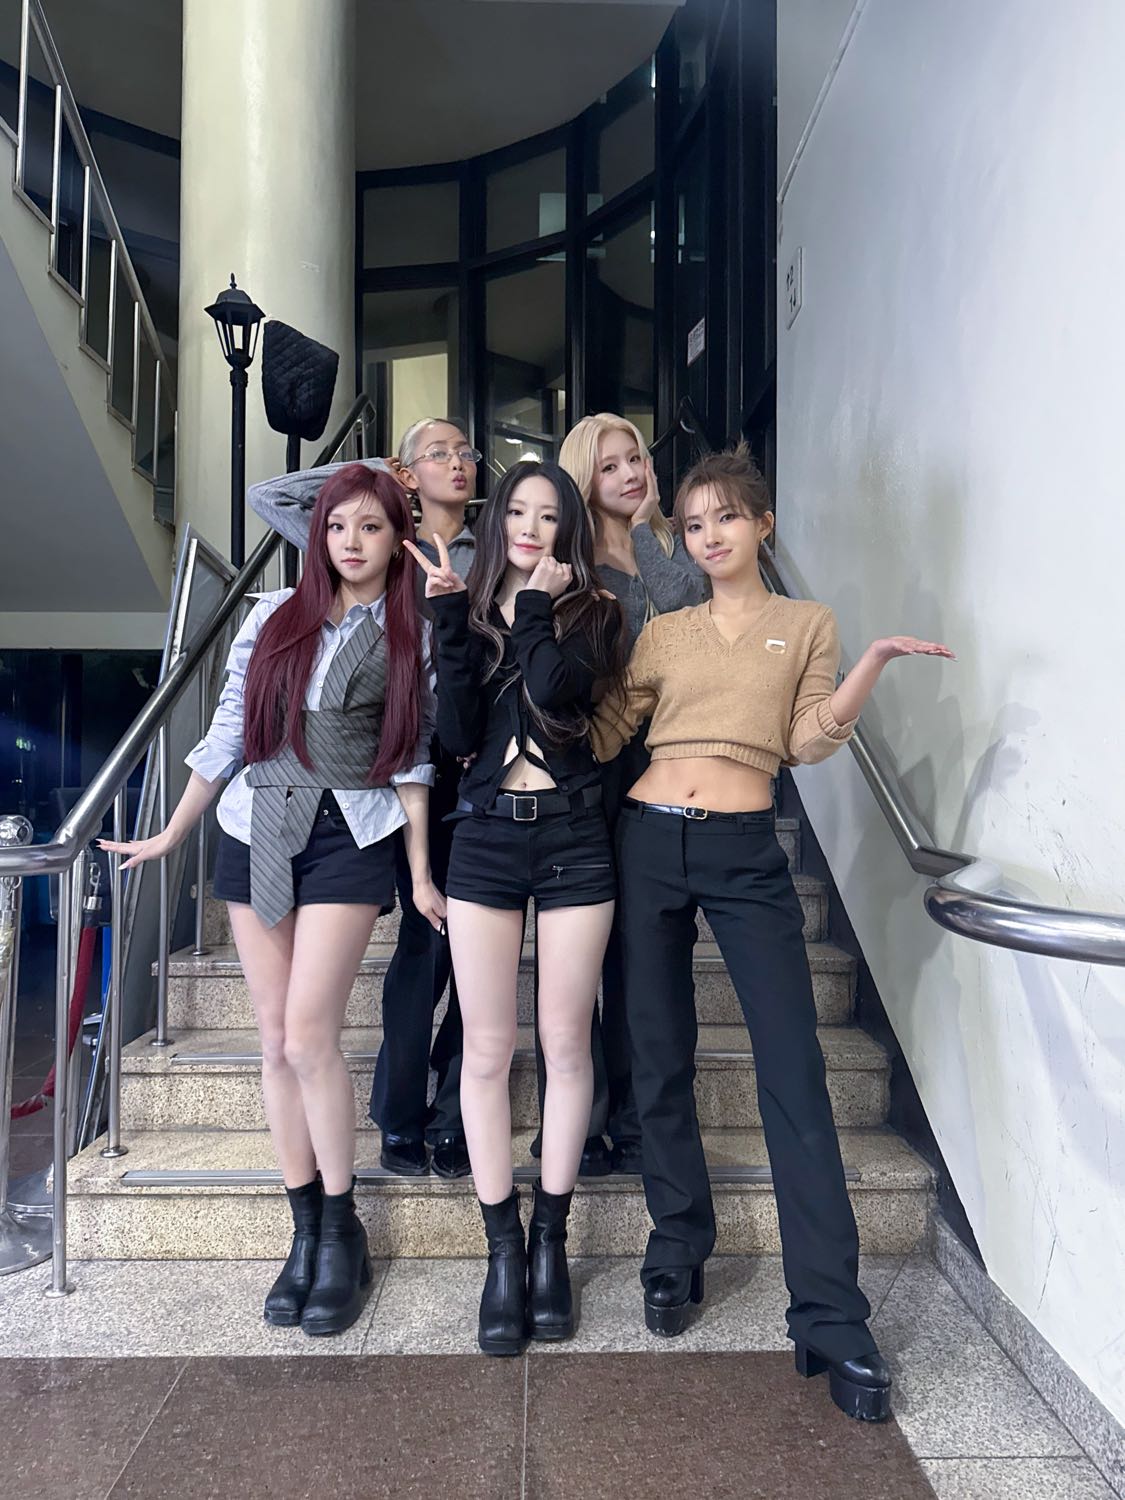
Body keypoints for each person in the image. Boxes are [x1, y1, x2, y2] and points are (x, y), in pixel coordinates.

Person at [592, 444, 953, 1421]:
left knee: (793, 1069)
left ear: (762, 525)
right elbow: (607, 729)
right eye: (693, 523)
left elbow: (801, 741)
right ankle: (677, 1246)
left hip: (746, 851)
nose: (707, 535)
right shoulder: (663, 631)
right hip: (648, 840)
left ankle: (831, 1315)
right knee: (657, 1054)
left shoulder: (806, 624)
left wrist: (869, 666)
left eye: (725, 517)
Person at [102, 463, 441, 1336]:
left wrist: (420, 872)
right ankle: (305, 1231)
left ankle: (343, 1226)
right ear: (316, 534)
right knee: (273, 1041)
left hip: (349, 835)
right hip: (255, 826)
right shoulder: (272, 616)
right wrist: (173, 832)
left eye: (372, 526)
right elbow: (228, 733)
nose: (351, 542)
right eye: (337, 526)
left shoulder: (410, 631)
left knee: (306, 1034)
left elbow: (411, 761)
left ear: (396, 539)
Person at [407, 460, 625, 1356]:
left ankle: (550, 1243)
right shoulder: (466, 614)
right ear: (496, 522)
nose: (531, 527)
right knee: (487, 1049)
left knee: (566, 1044)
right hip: (486, 841)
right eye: (518, 513)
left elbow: (559, 691)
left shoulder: (597, 613)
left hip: (574, 838)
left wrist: (533, 603)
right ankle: (501, 1249)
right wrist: (450, 623)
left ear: (569, 531)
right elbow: (457, 736)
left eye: (549, 516)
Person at [249, 420, 478, 1180]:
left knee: (466, 950)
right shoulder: (365, 537)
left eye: (465, 452)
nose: (457, 462)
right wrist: (371, 475)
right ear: (408, 472)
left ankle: (452, 1113)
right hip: (384, 773)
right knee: (419, 944)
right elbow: (274, 499)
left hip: (462, 762)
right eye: (437, 453)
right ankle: (398, 1111)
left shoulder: (487, 551)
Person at [555, 412, 707, 1174]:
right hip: (595, 761)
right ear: (583, 478)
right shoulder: (571, 561)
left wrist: (647, 528)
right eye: (608, 465)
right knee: (585, 946)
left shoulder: (669, 548)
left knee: (647, 948)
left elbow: (686, 607)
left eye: (635, 459)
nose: (627, 474)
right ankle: (582, 1121)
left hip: (668, 759)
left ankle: (643, 1122)